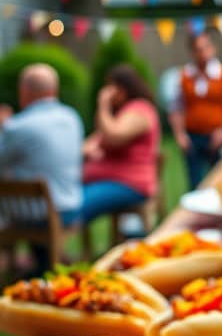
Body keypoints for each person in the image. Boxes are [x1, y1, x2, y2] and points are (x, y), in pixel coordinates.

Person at [0, 63, 83, 226]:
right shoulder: (72, 117)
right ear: (54, 90)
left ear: (24, 91)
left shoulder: (18, 126)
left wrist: (3, 128)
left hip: (35, 212)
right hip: (71, 206)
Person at [82, 64, 160, 222]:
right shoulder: (121, 114)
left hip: (129, 184)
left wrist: (103, 105)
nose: (107, 93)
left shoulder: (140, 110)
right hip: (107, 181)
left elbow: (113, 136)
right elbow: (92, 142)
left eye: (111, 87)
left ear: (123, 88)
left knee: (77, 205)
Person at [169, 30, 222, 189]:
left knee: (220, 180)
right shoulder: (183, 76)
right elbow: (176, 108)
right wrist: (180, 135)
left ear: (213, 48)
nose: (203, 52)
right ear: (192, 52)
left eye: (206, 47)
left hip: (217, 135)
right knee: (195, 183)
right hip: (192, 136)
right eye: (198, 49)